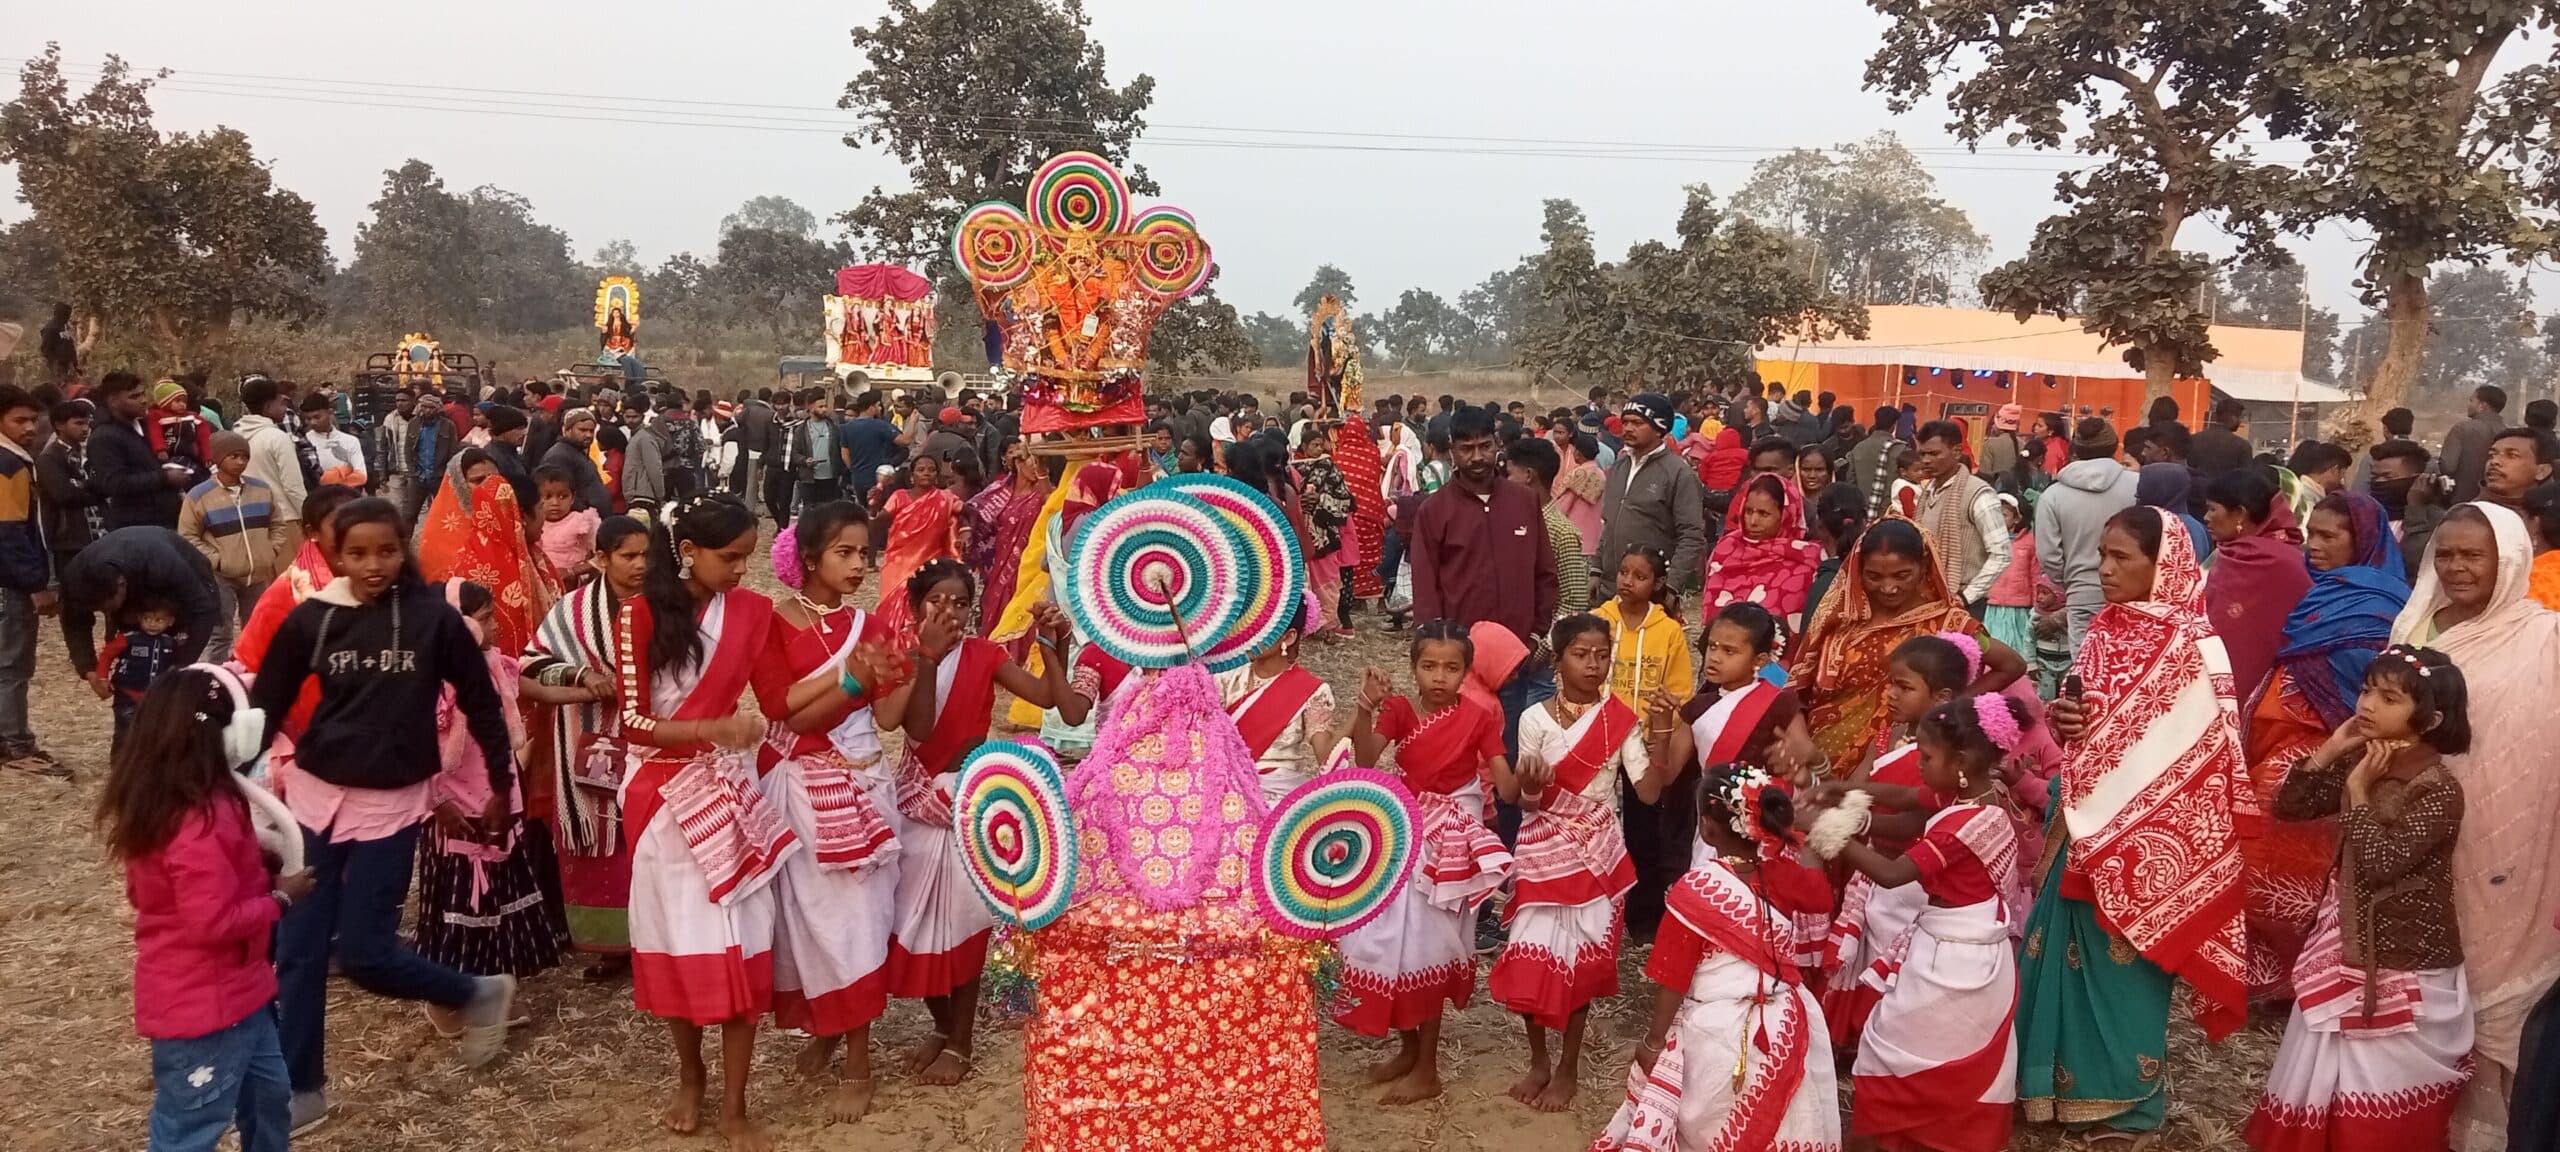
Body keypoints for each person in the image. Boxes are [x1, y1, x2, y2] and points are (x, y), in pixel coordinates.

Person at [247, 497, 522, 1131]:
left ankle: (475, 991)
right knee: (298, 948)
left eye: (387, 551)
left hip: (391, 805)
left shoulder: (435, 622)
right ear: (334, 553)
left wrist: (500, 787)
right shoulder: (311, 618)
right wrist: (235, 779)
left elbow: (483, 705)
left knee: (368, 953)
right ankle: (303, 1088)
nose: (373, 565)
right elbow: (266, 708)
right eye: (357, 552)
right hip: (315, 800)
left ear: (405, 550)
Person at [2025, 506, 2250, 1139]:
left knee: (2125, 964)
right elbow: (2079, 706)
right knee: (2063, 951)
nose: (2106, 569)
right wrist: (2067, 721)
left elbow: (2205, 752)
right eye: (2103, 555)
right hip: (2081, 819)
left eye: (2122, 557)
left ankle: (2128, 1102)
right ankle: (2052, 1089)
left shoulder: (2196, 644)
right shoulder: (2103, 628)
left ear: (2164, 563)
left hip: (2150, 833)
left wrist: (2122, 785)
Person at [2244, 645, 2474, 1152]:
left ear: (2429, 718)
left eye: (2388, 697)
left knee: (2375, 1092)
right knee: (2328, 1076)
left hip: (2402, 961)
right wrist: (2330, 750)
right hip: (2344, 942)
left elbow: (2383, 862)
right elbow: (2290, 805)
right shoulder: (2364, 758)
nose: (2367, 704)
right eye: (2368, 689)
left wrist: (2358, 789)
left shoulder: (2437, 788)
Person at [608, 496, 784, 1150]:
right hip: (660, 797)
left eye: (748, 557)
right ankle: (691, 1075)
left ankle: (736, 1101)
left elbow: (779, 699)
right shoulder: (640, 614)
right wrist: (711, 727)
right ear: (688, 550)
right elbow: (632, 723)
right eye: (729, 557)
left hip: (728, 794)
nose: (742, 570)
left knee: (739, 941)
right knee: (679, 945)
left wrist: (854, 682)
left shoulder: (753, 613)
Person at [2386, 502, 2560, 1147]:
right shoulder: (2417, 621)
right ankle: (2418, 1113)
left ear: (2508, 561)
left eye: (2473, 556)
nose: (2457, 567)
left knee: (2495, 977)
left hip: (2519, 842)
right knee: (2430, 966)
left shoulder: (2545, 637)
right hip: (2420, 826)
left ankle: (2493, 1128)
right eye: (2446, 554)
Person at [749, 501, 915, 1123]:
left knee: (858, 921)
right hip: (799, 787)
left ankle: (858, 1060)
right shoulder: (773, 623)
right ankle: (824, 1026)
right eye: (844, 553)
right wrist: (850, 679)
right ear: (808, 558)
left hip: (865, 786)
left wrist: (912, 660)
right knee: (809, 921)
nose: (858, 565)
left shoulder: (868, 624)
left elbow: (891, 718)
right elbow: (781, 711)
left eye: (864, 554)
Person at [99, 666, 311, 1152]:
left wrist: (259, 864)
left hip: (242, 994)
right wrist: (281, 898)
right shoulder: (196, 822)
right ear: (225, 734)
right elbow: (211, 921)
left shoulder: (189, 799)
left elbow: (174, 890)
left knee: (269, 1097)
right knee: (191, 1129)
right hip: (205, 1012)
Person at [1807, 693, 2027, 1152]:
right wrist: (1848, 791)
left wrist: (1829, 828)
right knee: (1942, 1060)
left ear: (1961, 760)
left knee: (1897, 1055)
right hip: (1972, 955)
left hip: (1950, 963)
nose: (1919, 765)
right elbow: (1908, 795)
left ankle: (1891, 1136)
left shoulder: (1959, 825)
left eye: (1926, 757)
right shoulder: (1984, 794)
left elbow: (1890, 874)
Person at [1588, 763, 1842, 1152]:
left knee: (1710, 1129)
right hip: (1785, 1024)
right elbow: (1822, 897)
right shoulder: (1783, 875)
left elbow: (1672, 976)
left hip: (1716, 1030)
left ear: (1707, 827)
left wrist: (1654, 1043)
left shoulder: (1695, 891)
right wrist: (1796, 837)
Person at [891, 559, 1070, 1086]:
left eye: (961, 603)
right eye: (936, 602)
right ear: (914, 607)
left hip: (970, 801)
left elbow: (1051, 700)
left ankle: (961, 1041)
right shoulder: (906, 660)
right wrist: (925, 657)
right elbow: (919, 727)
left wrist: (1051, 647)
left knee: (965, 925)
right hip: (918, 804)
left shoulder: (985, 655)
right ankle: (943, 1027)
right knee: (913, 923)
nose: (949, 612)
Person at [2239, 490, 2409, 1005]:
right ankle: (2266, 976)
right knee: (2259, 856)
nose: (2314, 546)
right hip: (2293, 753)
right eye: (2312, 533)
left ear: (2364, 541)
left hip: (2340, 756)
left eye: (2330, 536)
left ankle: (2304, 977)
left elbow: (2381, 690)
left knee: (2297, 865)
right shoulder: (2320, 594)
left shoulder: (2382, 606)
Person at [1492, 613, 1666, 1112]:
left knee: (1578, 965)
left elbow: (1649, 792)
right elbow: (1527, 801)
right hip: (1541, 849)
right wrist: (1530, 786)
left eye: (1601, 654)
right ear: (1558, 659)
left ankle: (1566, 1068)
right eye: (1580, 654)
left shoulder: (1620, 719)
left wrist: (1662, 729)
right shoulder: (1533, 718)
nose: (1592, 664)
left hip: (1594, 853)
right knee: (1530, 955)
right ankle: (1539, 1062)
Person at [1340, 621, 1517, 1104]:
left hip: (1451, 842)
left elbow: (1507, 788)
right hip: (1405, 827)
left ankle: (1428, 1068)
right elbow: (1366, 758)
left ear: (1467, 673)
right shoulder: (1398, 709)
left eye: (1452, 667)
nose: (1439, 676)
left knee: (1430, 945)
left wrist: (1525, 775)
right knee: (1393, 940)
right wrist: (1365, 705)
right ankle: (1409, 1049)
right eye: (1429, 666)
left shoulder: (1479, 717)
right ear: (1413, 667)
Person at [413, 579, 565, 1008]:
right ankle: (449, 1001)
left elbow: (541, 692)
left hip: (496, 805)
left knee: (491, 904)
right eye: (485, 618)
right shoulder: (432, 685)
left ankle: (479, 993)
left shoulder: (495, 667)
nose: (496, 626)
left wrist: (592, 689)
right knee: (462, 906)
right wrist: (437, 802)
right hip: (458, 812)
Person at [519, 514, 648, 970]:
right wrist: (581, 675)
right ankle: (609, 946)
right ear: (600, 558)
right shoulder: (571, 611)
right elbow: (530, 664)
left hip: (650, 738)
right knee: (598, 838)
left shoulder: (662, 606)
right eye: (628, 556)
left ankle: (654, 938)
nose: (639, 566)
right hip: (586, 738)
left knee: (646, 835)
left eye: (645, 556)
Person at [1793, 519, 2023, 763]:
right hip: (1814, 758)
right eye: (1874, 577)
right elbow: (1798, 688)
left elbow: (2012, 665)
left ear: (1923, 567)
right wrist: (1800, 743)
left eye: (1902, 575)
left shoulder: (1948, 623)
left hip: (1894, 764)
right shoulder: (1842, 617)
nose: (1889, 588)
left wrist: (1949, 705)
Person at [418, 449, 558, 657]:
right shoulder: (443, 542)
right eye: (478, 480)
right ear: (457, 484)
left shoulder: (513, 535)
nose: (490, 486)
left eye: (494, 478)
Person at [2202, 467, 2315, 722]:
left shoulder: (2281, 562)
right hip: (2208, 676)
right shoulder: (2230, 554)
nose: (2206, 517)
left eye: (2213, 509)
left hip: (2259, 687)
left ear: (2240, 513)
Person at [2036, 417, 2141, 650]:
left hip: (2082, 592)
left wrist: (2073, 581)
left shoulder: (2053, 496)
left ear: (2075, 450)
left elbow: (2049, 556)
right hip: (2134, 591)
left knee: (2086, 671)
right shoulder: (2138, 485)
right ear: (2115, 447)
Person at [178, 432, 284, 661]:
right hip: (221, 577)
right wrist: (215, 560)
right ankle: (214, 684)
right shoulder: (199, 496)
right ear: (218, 458)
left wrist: (270, 550)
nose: (240, 462)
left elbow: (277, 523)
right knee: (220, 633)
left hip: (257, 574)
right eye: (233, 456)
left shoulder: (262, 490)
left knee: (256, 630)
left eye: (244, 457)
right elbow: (187, 536)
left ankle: (251, 678)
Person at [1217, 601, 1334, 805]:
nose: (1251, 635)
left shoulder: (1313, 691)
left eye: (1262, 628)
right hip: (1225, 789)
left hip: (1278, 799)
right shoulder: (1226, 678)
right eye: (1249, 626)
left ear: (1288, 637)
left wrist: (1363, 708)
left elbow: (1327, 756)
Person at [1593, 393, 1707, 601]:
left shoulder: (1678, 473)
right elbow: (1608, 524)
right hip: (1610, 589)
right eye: (1625, 422)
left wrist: (1671, 586)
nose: (1627, 428)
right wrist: (1596, 570)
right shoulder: (1618, 468)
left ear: (1659, 428)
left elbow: (1691, 535)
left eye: (1637, 423)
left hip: (1651, 593)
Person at [1700, 473, 1825, 634]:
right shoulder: (1727, 549)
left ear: (1786, 515)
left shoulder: (1807, 560)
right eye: (1748, 511)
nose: (1753, 521)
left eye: (1763, 514)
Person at [1913, 420, 2011, 609]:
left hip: (1964, 603)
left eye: (1933, 454)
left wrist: (1966, 597)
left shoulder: (1978, 493)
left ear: (1957, 451)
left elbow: (2002, 554)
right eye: (1922, 454)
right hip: (1929, 597)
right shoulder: (1927, 493)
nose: (1925, 460)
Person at [872, 454, 962, 647]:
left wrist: (966, 531)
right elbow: (879, 522)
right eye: (921, 469)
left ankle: (922, 648)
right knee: (891, 611)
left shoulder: (946, 499)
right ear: (912, 475)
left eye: (931, 469)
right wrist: (873, 504)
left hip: (928, 566)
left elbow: (969, 513)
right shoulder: (899, 497)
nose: (927, 473)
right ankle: (891, 649)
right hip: (897, 565)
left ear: (937, 475)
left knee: (923, 607)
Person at [87, 372, 188, 530]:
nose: (144, 400)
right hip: (137, 527)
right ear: (113, 401)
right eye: (134, 397)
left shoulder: (146, 427)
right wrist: (164, 478)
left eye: (143, 394)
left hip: (166, 522)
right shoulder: (104, 438)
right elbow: (114, 484)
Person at [1504, 436, 1590, 619]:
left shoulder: (1561, 533)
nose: (1504, 482)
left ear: (1529, 475)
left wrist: (1541, 645)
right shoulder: (1511, 520)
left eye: (1509, 474)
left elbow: (1574, 602)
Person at [232, 376, 307, 557]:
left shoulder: (236, 436)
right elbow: (292, 486)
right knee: (293, 581)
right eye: (281, 404)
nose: (285, 409)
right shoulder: (277, 438)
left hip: (252, 522)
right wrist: (309, 517)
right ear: (267, 407)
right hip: (285, 520)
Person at [1296, 423, 1358, 634]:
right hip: (1306, 533)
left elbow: (1345, 498)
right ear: (1303, 447)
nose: (1318, 450)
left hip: (1326, 533)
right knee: (1312, 579)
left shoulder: (1328, 467)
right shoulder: (1295, 468)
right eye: (1314, 445)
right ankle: (1313, 621)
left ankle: (1328, 622)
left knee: (1329, 578)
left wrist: (1319, 499)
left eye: (1321, 445)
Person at [95, 600, 182, 750]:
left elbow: (176, 667)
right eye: (146, 619)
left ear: (170, 621)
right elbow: (107, 654)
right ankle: (119, 766)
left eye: (158, 620)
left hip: (156, 697)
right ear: (139, 618)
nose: (152, 624)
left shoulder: (171, 644)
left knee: (154, 732)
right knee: (124, 733)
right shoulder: (129, 639)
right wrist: (102, 677)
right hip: (127, 694)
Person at [37, 398, 103, 573]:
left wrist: (87, 486)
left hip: (100, 533)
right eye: (78, 423)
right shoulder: (49, 458)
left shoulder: (90, 451)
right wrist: (97, 491)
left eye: (87, 423)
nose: (85, 429)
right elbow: (64, 495)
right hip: (69, 539)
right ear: (59, 425)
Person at [2440, 385, 2509, 504]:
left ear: (2482, 406)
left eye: (2471, 401)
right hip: (2497, 502)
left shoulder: (2461, 429)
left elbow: (2448, 467)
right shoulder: (2509, 434)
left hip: (2463, 500)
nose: (2469, 405)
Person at [533, 465, 601, 585]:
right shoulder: (534, 524)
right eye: (548, 497)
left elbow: (603, 557)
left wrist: (572, 571)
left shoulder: (582, 522)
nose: (555, 503)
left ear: (573, 498)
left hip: (574, 586)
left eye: (562, 497)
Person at [540, 408, 613, 513]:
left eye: (591, 431)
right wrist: (586, 514)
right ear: (567, 430)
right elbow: (562, 493)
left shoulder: (578, 453)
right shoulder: (559, 456)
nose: (588, 435)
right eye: (582, 430)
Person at [1847, 403, 1909, 520]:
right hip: (1890, 514)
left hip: (1863, 514)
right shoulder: (1901, 449)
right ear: (1894, 425)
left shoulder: (1859, 447)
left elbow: (1851, 480)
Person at [2481, 426, 2557, 514]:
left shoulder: (2550, 517)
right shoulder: (2470, 517)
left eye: (2512, 455)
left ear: (2542, 471)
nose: (2494, 461)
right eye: (2491, 455)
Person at [299, 393, 366, 489]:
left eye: (317, 417)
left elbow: (360, 477)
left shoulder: (351, 441)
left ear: (330, 413)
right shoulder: (304, 443)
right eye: (309, 419)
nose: (313, 422)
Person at [2191, 397, 2257, 487]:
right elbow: (2245, 480)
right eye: (2239, 417)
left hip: (2195, 495)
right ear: (2233, 418)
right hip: (2225, 498)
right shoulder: (2242, 446)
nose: (2240, 421)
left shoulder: (2194, 439)